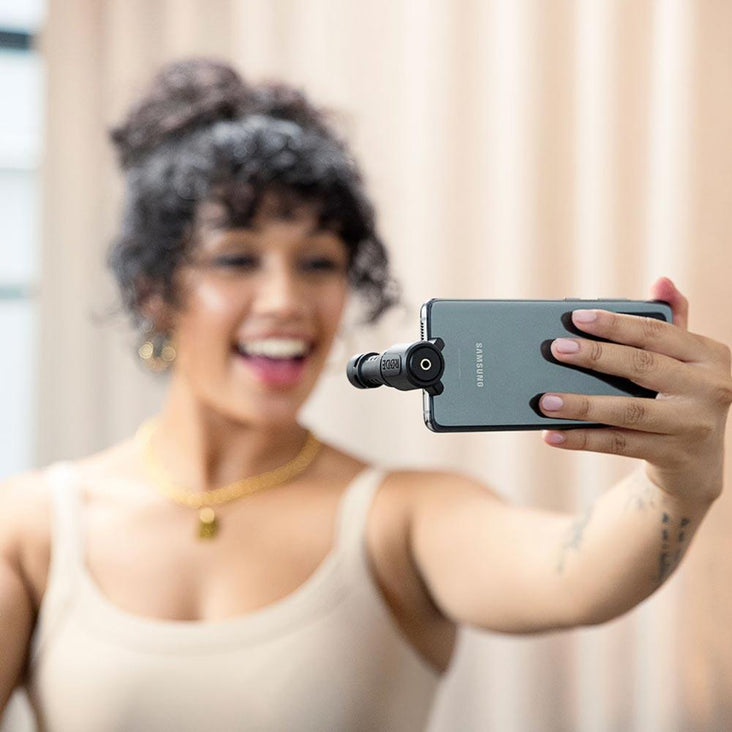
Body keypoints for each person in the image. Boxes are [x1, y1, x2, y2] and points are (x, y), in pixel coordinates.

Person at [1, 58, 730, 732]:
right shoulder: (32, 527)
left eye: (319, 263)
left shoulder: (401, 519)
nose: (287, 301)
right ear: (156, 294)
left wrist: (678, 483)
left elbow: (574, 576)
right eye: (237, 259)